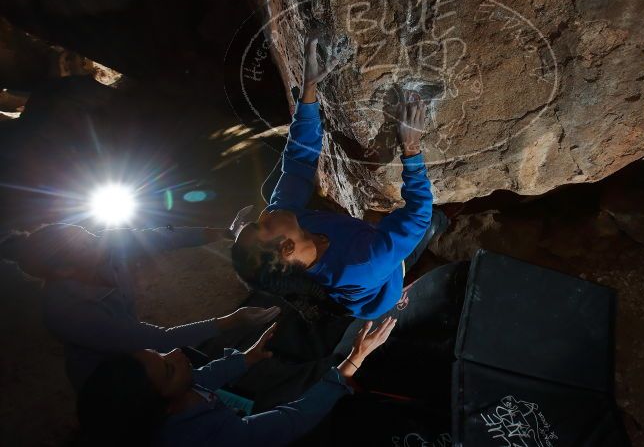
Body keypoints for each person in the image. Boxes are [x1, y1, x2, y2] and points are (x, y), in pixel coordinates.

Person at [231, 35, 448, 320]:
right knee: (432, 222)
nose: (265, 213)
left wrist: (309, 89)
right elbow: (418, 214)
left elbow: (297, 161)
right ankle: (430, 246)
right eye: (263, 225)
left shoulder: (283, 216)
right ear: (287, 247)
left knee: (273, 187)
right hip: (382, 286)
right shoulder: (362, 264)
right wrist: (411, 148)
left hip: (358, 245)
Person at [0, 223, 277, 390]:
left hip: (138, 349)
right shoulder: (68, 313)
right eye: (84, 243)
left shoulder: (100, 248)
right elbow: (158, 337)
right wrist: (232, 321)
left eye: (86, 231)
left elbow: (157, 237)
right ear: (64, 270)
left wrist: (216, 232)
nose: (97, 238)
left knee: (195, 372)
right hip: (109, 377)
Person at [78, 317, 397, 446]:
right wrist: (352, 362)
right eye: (168, 368)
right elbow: (290, 421)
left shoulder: (172, 401)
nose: (176, 352)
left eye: (160, 353)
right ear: (164, 410)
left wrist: (246, 358)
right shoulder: (210, 437)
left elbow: (203, 377)